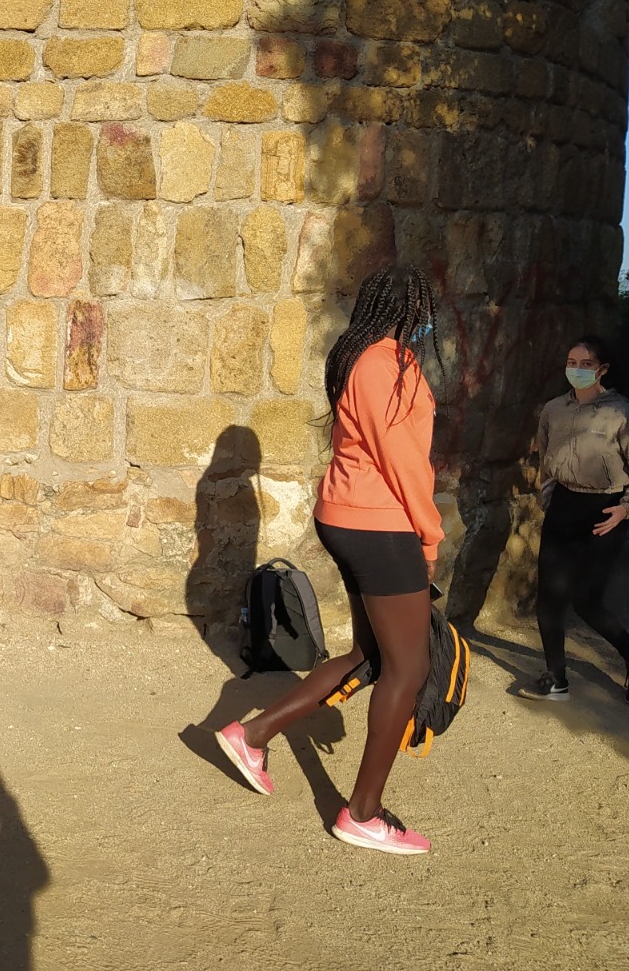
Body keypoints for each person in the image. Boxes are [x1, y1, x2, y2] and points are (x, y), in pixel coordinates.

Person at [213, 265, 445, 855]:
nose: (428, 321)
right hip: (379, 523)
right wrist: (430, 535)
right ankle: (362, 813)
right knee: (408, 669)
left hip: (349, 515)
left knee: (369, 654)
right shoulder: (385, 364)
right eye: (424, 310)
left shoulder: (357, 356)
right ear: (411, 311)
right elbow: (403, 461)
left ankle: (254, 733)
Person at [520, 336, 629, 706]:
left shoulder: (624, 415)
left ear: (602, 369)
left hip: (606, 512)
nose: (577, 369)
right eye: (571, 362)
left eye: (586, 364)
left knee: (586, 600)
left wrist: (625, 509)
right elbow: (547, 461)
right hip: (563, 509)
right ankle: (556, 679)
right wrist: (552, 501)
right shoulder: (554, 410)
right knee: (549, 598)